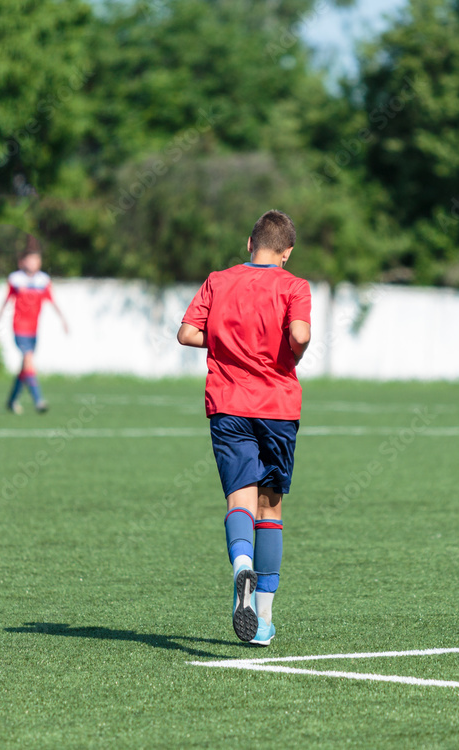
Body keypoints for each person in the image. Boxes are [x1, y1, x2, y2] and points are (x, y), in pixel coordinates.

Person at [177, 210, 311, 645]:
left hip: (228, 403)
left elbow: (186, 333)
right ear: (287, 252)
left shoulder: (218, 280)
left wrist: (222, 340)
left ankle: (240, 567)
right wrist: (293, 346)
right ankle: (263, 623)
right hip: (277, 406)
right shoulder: (295, 286)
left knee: (240, 498)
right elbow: (301, 334)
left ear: (248, 242)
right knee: (270, 508)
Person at [0, 238, 68, 414]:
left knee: (25, 366)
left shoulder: (43, 280)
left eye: (37, 260)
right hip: (19, 327)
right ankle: (38, 400)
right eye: (31, 260)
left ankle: (11, 401)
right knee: (28, 360)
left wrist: (63, 320)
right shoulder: (16, 279)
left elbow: (53, 301)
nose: (34, 263)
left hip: (34, 329)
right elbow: (5, 302)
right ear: (22, 262)